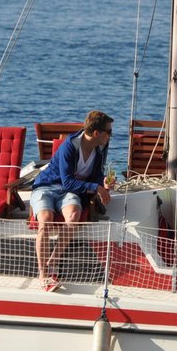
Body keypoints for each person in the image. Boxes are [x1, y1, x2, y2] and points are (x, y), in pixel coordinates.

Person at [30, 110, 114, 291]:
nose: (111, 135)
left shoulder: (101, 146)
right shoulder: (70, 146)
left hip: (69, 191)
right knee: (45, 219)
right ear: (97, 133)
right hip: (47, 186)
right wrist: (95, 188)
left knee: (74, 215)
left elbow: (97, 174)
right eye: (109, 132)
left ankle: (53, 260)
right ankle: (43, 273)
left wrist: (103, 182)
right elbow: (67, 180)